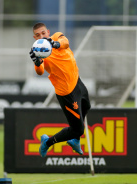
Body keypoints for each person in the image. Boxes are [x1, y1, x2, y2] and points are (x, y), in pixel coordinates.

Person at [29, 22, 91, 157]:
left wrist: (54, 43)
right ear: (35, 38)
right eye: (38, 35)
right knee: (78, 129)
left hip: (77, 82)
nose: (42, 36)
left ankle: (75, 140)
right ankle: (47, 142)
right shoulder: (39, 52)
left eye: (43, 33)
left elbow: (65, 42)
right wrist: (37, 62)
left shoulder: (56, 37)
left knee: (87, 106)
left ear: (48, 32)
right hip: (67, 93)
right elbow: (39, 71)